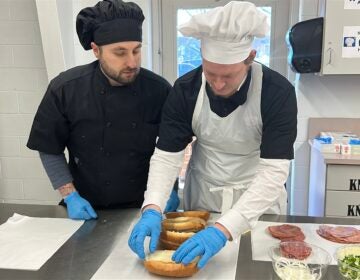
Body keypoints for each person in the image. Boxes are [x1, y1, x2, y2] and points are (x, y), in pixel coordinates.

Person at [128, 1, 297, 269]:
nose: (218, 84)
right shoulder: (185, 90)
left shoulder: (277, 93)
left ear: (250, 58)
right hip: (203, 196)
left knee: (257, 270)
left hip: (256, 197)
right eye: (211, 73)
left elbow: (274, 171)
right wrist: (152, 207)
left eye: (228, 75)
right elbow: (167, 157)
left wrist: (223, 230)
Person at [27, 0, 179, 220]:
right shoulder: (66, 89)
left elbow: (171, 147)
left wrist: (170, 190)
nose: (132, 62)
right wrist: (69, 195)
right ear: (96, 50)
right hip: (86, 204)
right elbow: (49, 147)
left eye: (136, 50)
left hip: (145, 206)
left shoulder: (159, 90)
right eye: (120, 53)